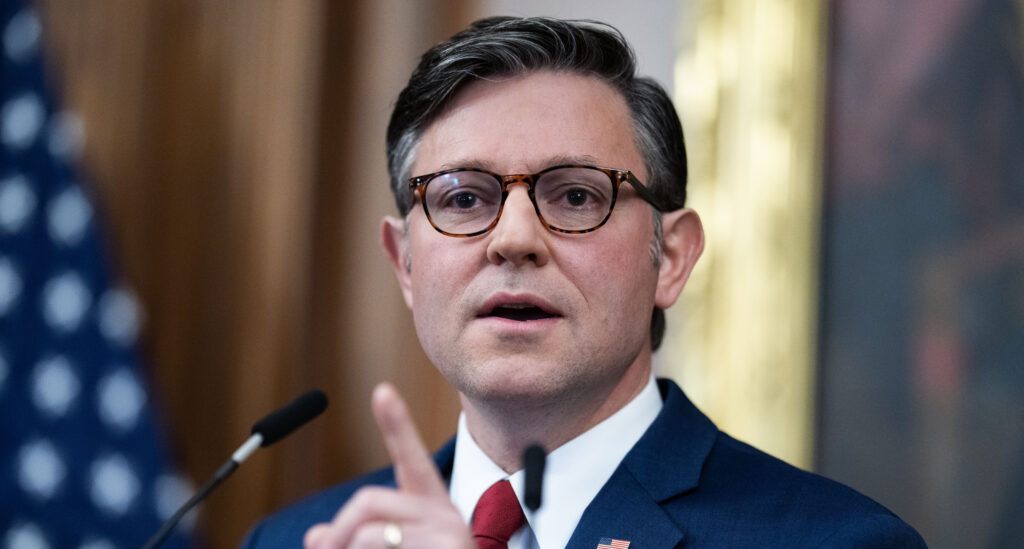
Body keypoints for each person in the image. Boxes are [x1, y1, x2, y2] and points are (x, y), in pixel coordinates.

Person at [243, 16, 926, 548]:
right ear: (405, 264)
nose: (513, 239)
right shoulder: (298, 539)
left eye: (574, 196)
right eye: (463, 199)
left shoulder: (837, 541)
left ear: (672, 257)